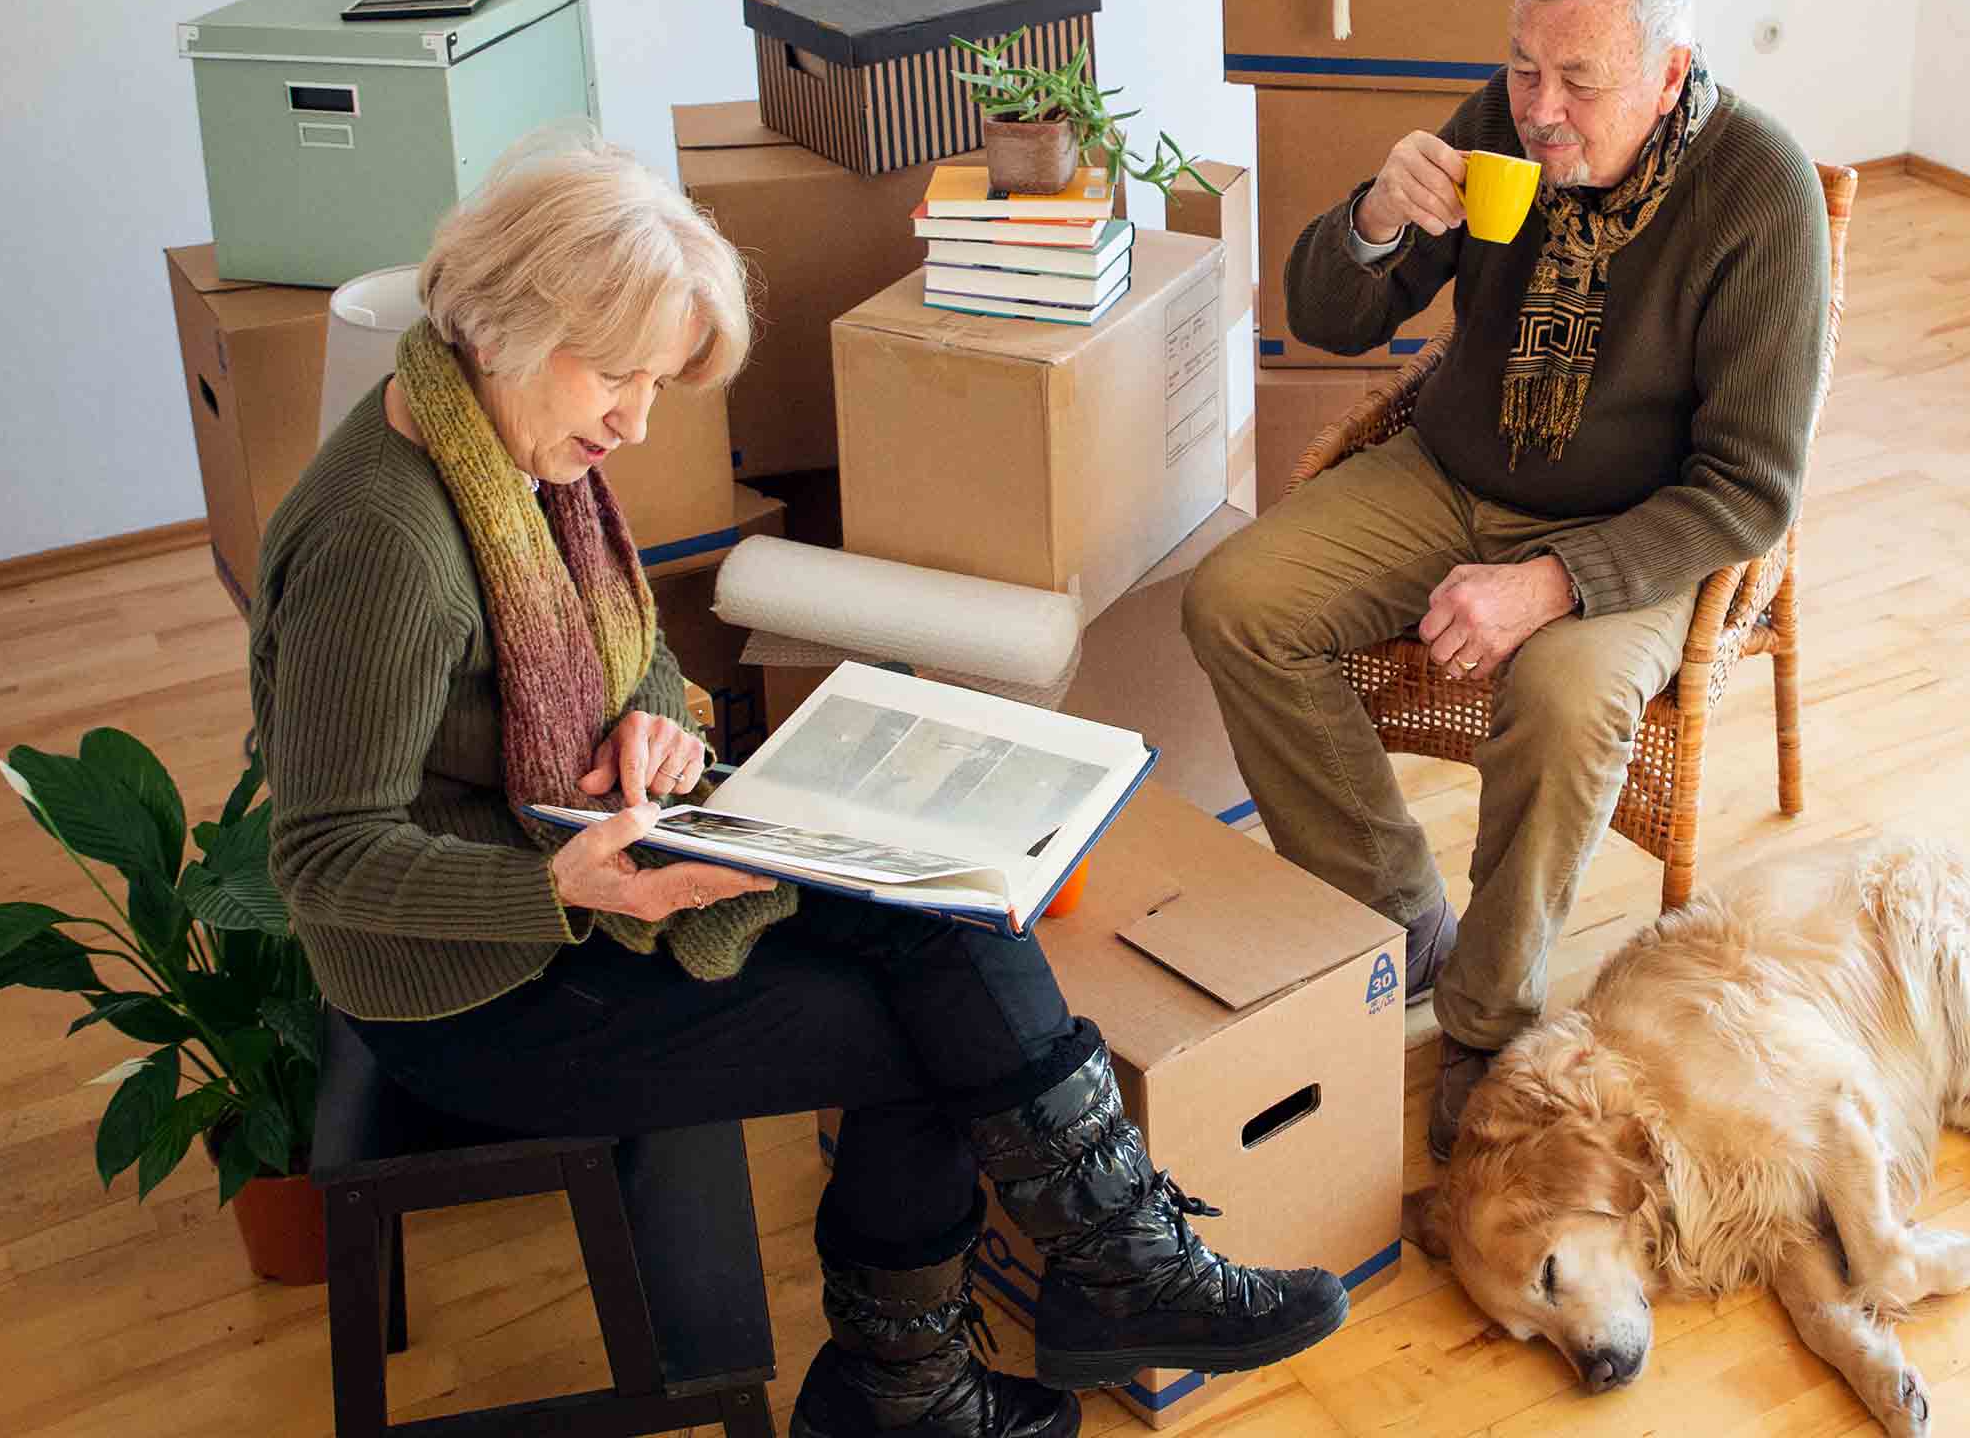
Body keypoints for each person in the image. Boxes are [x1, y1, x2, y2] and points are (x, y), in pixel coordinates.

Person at [250, 133, 1343, 1438]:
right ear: (499, 323)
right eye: (618, 375)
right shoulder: (386, 538)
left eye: (657, 383)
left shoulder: (513, 453)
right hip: (482, 991)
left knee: (944, 898)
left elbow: (634, 660)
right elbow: (318, 859)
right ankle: (931, 1375)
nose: (635, 422)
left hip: (591, 865)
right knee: (941, 1041)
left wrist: (654, 727)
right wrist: (554, 885)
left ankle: (1073, 1288)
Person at [1182, 0, 1831, 1160]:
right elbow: (1325, 315)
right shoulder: (1500, 125)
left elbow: (1750, 490)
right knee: (1236, 601)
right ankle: (1401, 913)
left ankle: (1486, 1019)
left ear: (1670, 70)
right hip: (1454, 469)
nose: (1539, 110)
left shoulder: (1758, 191)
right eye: (1524, 68)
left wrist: (1552, 582)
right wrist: (1375, 215)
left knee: (1566, 697)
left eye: (1578, 82)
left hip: (1634, 526)